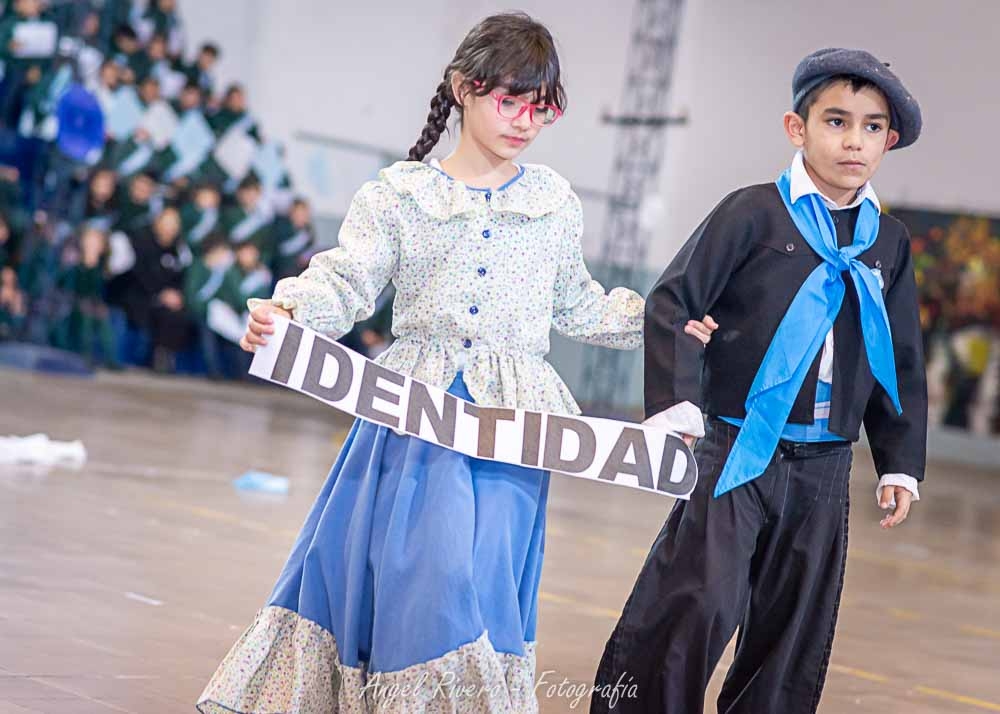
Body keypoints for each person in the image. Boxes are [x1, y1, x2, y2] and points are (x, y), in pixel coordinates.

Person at [198, 12, 646, 713]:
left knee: (487, 580)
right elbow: (347, 279)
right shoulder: (399, 195)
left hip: (514, 430)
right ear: (465, 88)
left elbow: (578, 303)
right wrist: (289, 310)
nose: (526, 121)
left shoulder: (554, 204)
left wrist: (668, 318)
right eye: (511, 101)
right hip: (417, 414)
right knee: (430, 576)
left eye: (541, 108)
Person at [592, 48, 928, 714]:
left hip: (825, 464)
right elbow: (674, 302)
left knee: (793, 623)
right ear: (796, 128)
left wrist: (899, 463)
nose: (853, 141)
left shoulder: (888, 242)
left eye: (870, 127)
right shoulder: (752, 213)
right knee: (697, 598)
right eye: (836, 121)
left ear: (888, 141)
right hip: (737, 446)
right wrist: (677, 405)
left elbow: (900, 356)